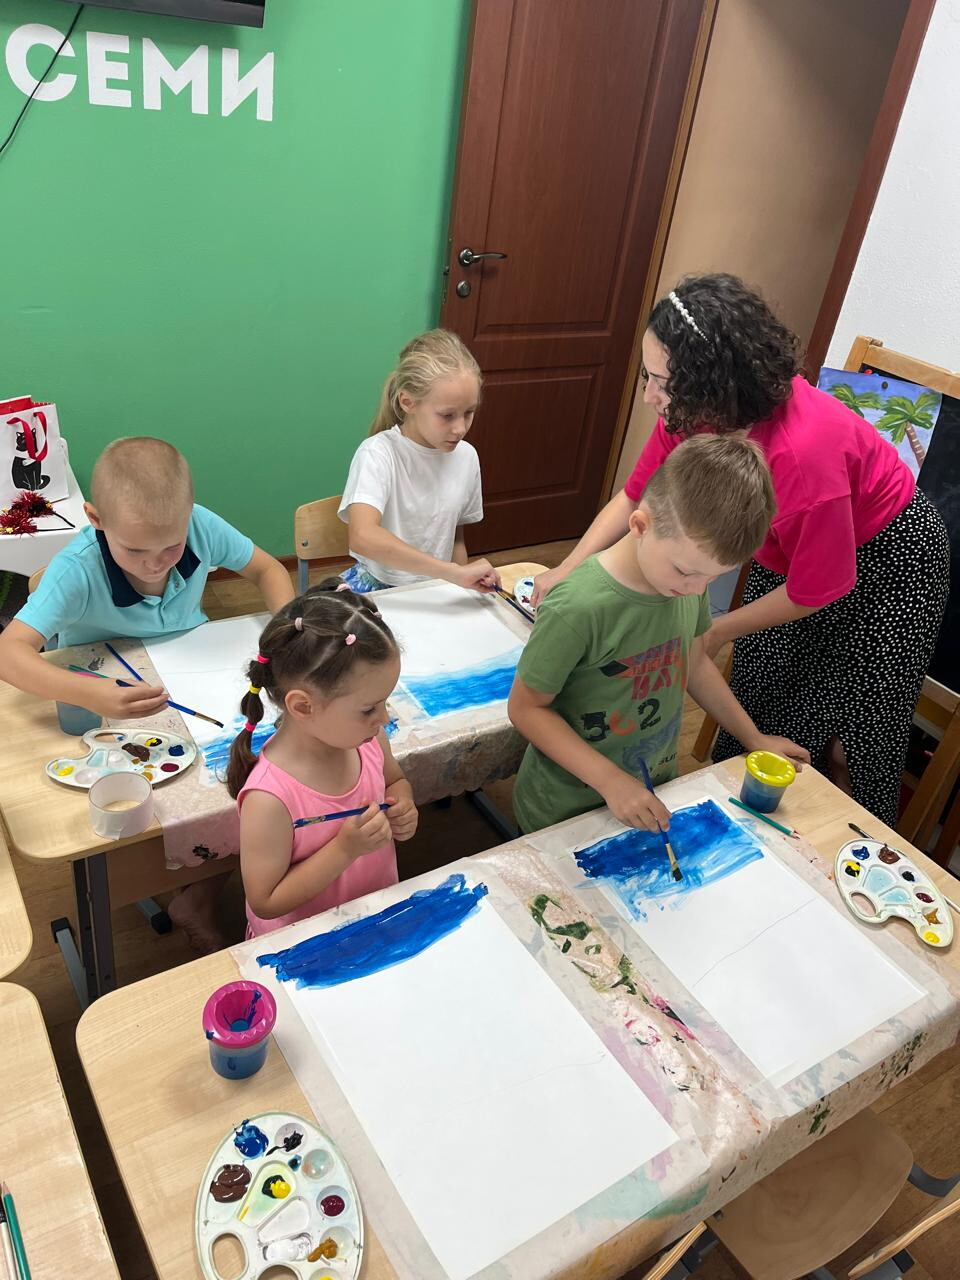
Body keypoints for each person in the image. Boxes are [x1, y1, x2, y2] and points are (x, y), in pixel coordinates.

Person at [531, 274, 949, 825]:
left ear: (712, 382)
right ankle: (741, 795)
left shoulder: (802, 458)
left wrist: (714, 630)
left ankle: (845, 836)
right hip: (797, 541)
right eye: (647, 376)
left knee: (856, 733)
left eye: (662, 382)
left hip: (889, 558)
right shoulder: (691, 412)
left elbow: (816, 588)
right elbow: (636, 492)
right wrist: (568, 567)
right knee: (763, 683)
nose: (650, 395)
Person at [0, 437, 296, 948]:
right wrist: (88, 693)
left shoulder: (199, 526)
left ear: (189, 516)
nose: (156, 564)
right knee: (163, 796)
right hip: (111, 700)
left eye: (171, 548)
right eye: (135, 550)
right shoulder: (76, 569)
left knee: (247, 774)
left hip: (195, 677)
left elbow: (268, 569)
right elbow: (9, 653)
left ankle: (198, 894)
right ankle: (169, 881)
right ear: (96, 520)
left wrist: (284, 627)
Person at [509, 435, 808, 835]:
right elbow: (526, 709)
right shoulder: (577, 607)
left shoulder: (685, 585)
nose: (697, 589)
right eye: (686, 571)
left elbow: (694, 662)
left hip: (653, 787)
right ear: (639, 525)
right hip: (566, 807)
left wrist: (753, 737)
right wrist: (610, 780)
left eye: (714, 578)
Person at [226, 581, 418, 936]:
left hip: (373, 921)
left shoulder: (368, 740)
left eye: (385, 702)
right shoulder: (269, 799)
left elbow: (394, 780)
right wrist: (345, 849)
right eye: (369, 708)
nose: (384, 718)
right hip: (305, 948)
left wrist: (402, 804)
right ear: (303, 706)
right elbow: (265, 900)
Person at [338, 328, 500, 593]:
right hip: (380, 589)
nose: (460, 428)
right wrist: (451, 572)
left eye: (469, 413)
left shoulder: (467, 457)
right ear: (407, 402)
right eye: (447, 415)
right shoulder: (378, 453)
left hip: (437, 586)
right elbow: (362, 536)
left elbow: (456, 540)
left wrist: (462, 584)